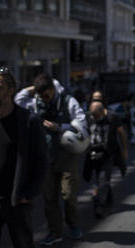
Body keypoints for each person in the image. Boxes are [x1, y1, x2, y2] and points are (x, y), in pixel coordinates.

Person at [15, 73, 88, 246]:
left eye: (46, 94)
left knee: (68, 194)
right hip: (45, 158)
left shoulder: (68, 101)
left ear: (53, 89)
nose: (44, 99)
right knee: (49, 198)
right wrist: (34, 87)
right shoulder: (35, 102)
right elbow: (18, 99)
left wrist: (59, 127)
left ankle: (73, 225)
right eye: (40, 95)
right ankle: (55, 232)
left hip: (67, 156)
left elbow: (81, 123)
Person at [0, 67, 48, 248]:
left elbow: (41, 161)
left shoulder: (29, 121)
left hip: (17, 201)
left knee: (23, 244)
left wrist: (29, 193)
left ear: (10, 90)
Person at [84, 101, 128, 218]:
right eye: (92, 116)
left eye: (96, 115)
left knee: (103, 179)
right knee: (98, 179)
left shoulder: (112, 117)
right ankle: (108, 202)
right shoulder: (89, 117)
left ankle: (99, 205)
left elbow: (122, 133)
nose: (94, 118)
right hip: (93, 154)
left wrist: (124, 151)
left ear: (102, 111)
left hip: (108, 154)